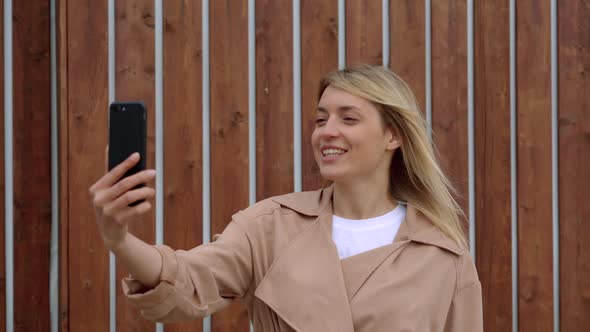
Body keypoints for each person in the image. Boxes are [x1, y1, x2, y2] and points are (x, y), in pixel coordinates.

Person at [89, 64, 483, 331]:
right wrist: (119, 240)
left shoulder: (443, 255)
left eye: (348, 118)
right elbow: (185, 280)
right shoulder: (271, 225)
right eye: (320, 118)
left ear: (393, 136)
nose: (327, 131)